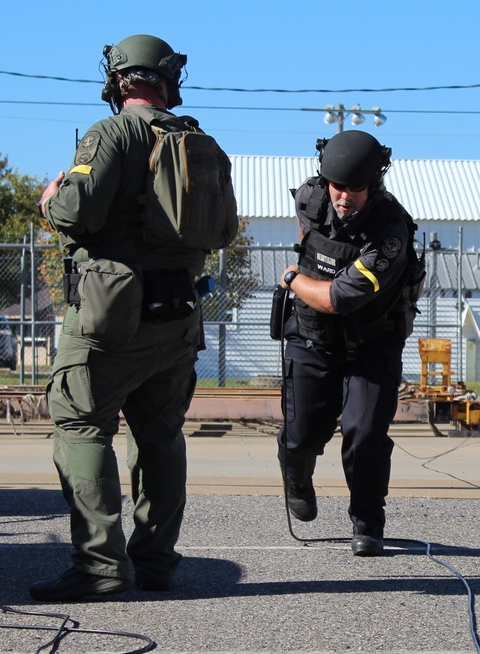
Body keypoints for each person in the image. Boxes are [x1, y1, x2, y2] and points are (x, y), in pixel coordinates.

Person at [30, 34, 236, 601]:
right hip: (177, 317)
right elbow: (223, 232)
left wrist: (51, 199)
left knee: (79, 425)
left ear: (119, 78)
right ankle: (156, 564)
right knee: (161, 435)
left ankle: (100, 569)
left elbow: (75, 210)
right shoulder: (204, 144)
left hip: (109, 320)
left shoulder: (110, 134)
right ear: (170, 79)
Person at [277, 130, 419, 557]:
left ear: (373, 185)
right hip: (311, 337)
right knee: (302, 435)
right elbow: (308, 235)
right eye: (338, 186)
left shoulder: (390, 232)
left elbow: (338, 298)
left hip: (372, 342)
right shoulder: (309, 197)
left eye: (356, 188)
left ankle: (367, 522)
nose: (345, 196)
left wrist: (291, 279)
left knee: (365, 434)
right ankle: (297, 478)